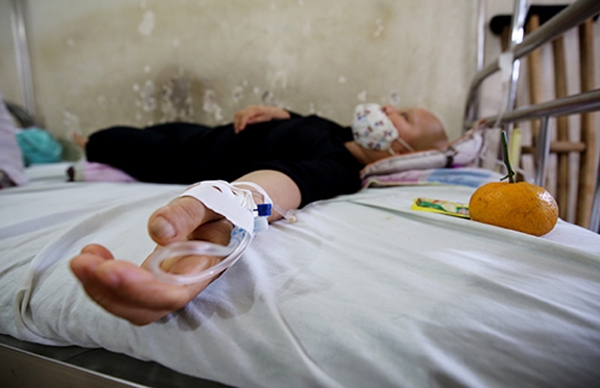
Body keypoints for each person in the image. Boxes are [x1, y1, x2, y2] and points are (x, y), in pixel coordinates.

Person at [70, 104, 448, 325]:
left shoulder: (339, 167)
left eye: (403, 117)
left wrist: (228, 202)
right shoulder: (336, 130)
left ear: (401, 152)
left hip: (189, 156)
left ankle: (89, 147)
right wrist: (280, 114)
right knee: (161, 128)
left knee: (109, 139)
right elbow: (305, 125)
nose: (387, 109)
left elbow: (288, 180)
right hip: (208, 132)